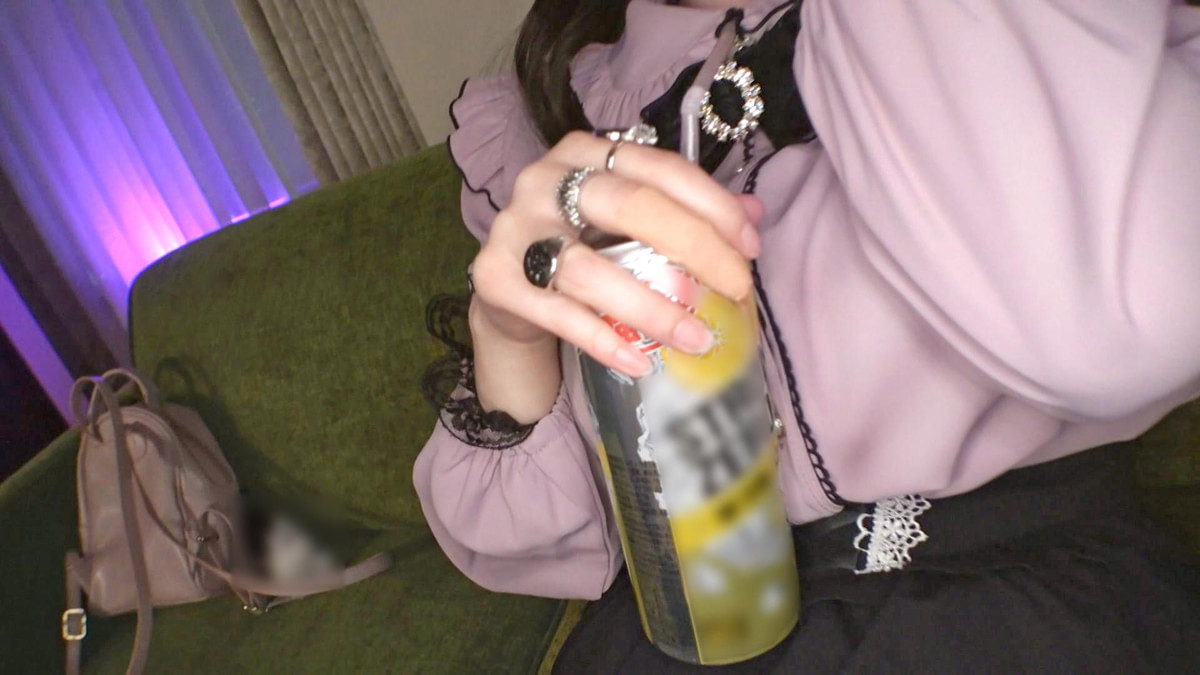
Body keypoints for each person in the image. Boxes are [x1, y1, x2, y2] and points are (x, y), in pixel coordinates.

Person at [414, 1, 1200, 671]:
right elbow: (548, 545)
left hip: (1015, 604)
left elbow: (1117, 309)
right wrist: (510, 332)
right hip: (682, 632)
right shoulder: (552, 106)